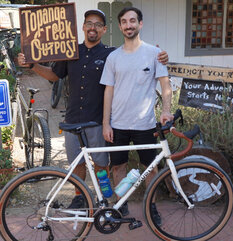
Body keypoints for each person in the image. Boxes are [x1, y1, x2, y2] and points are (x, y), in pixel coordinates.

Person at [18, 9, 169, 209]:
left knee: (101, 164)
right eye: (89, 23)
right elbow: (55, 75)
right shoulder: (69, 52)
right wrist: (32, 66)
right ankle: (79, 197)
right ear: (83, 26)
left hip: (97, 120)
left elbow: (132, 55)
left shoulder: (111, 54)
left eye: (98, 25)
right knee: (77, 163)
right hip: (72, 119)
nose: (93, 27)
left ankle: (102, 199)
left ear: (104, 30)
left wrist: (160, 56)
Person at [100, 7, 174, 224]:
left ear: (140, 24)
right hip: (118, 124)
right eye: (124, 21)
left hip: (146, 124)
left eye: (132, 21)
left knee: (151, 168)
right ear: (120, 26)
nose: (128, 25)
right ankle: (120, 206)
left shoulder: (154, 53)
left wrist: (166, 110)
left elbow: (165, 84)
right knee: (118, 167)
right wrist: (106, 123)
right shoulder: (113, 57)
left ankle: (151, 206)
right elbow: (108, 91)